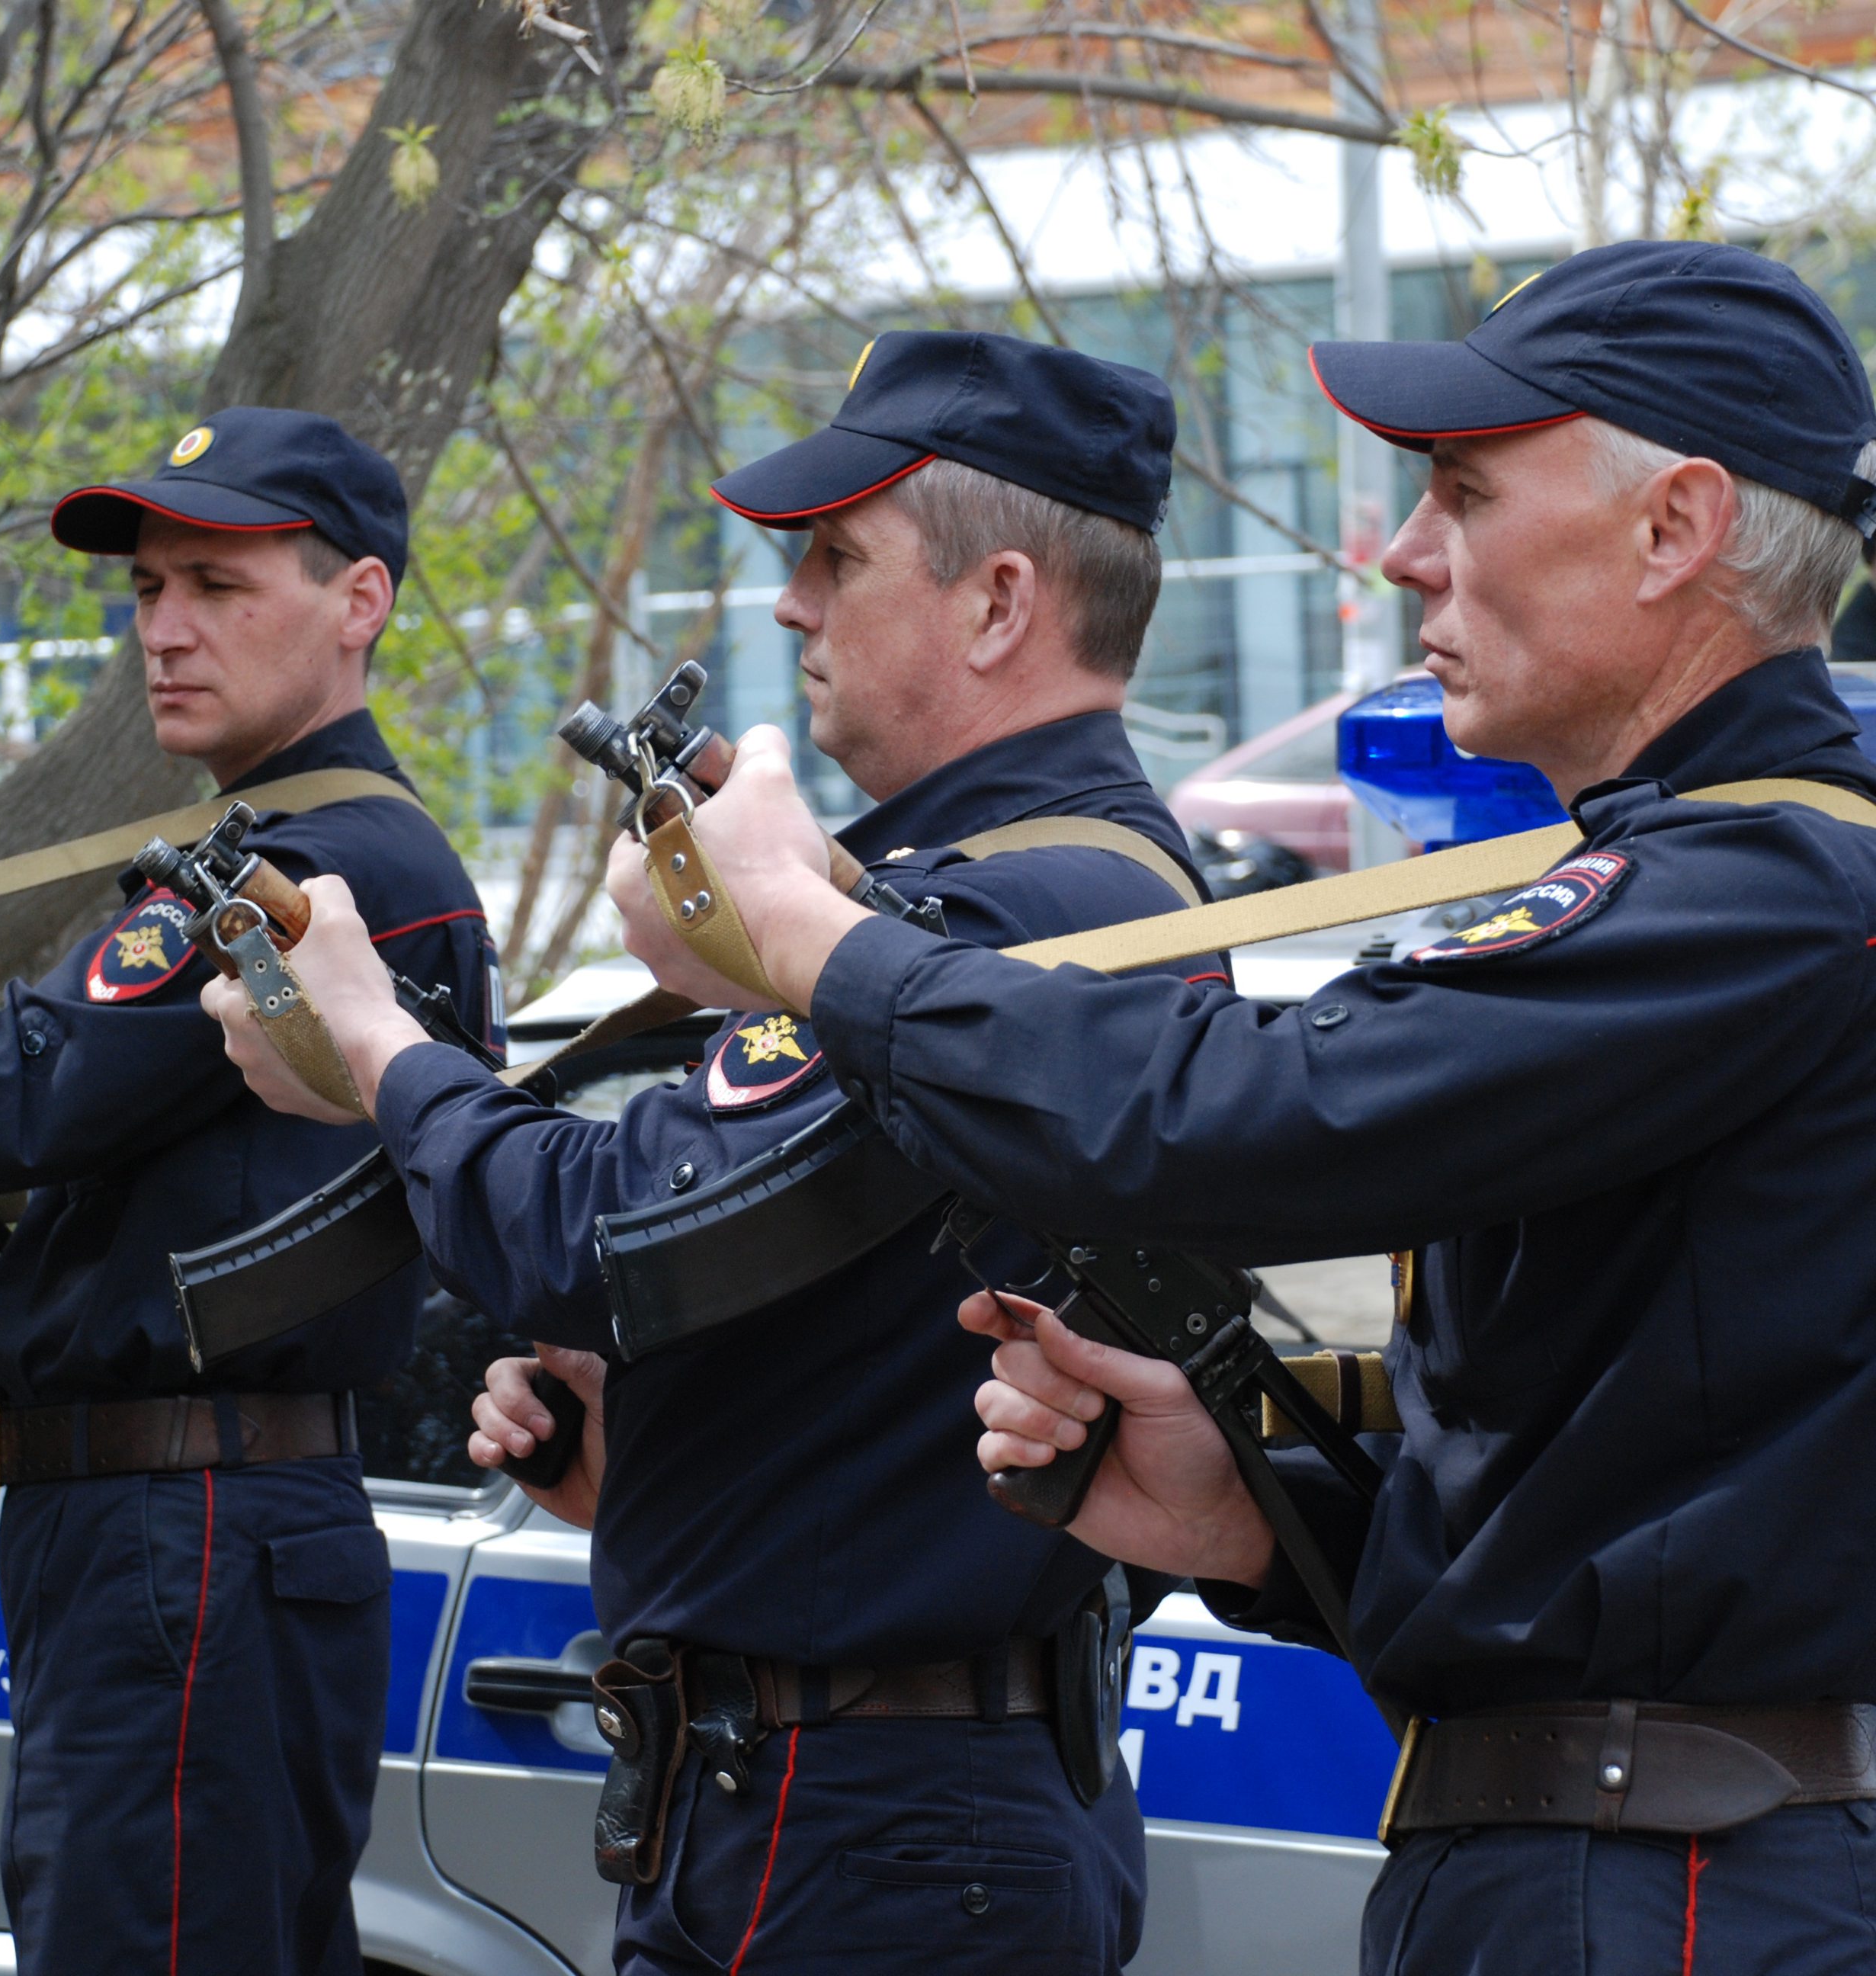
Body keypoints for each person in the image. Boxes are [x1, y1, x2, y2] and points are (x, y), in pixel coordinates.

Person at [600, 242, 1876, 1975]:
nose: (1403, 551)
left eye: (1465, 490)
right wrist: (1251, 1514)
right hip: (1609, 1854)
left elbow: (1253, 1123)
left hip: (1678, 1878)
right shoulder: (1718, 878)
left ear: (1676, 530)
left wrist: (820, 947)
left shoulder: (1776, 888)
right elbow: (1624, 1454)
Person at [201, 331, 1227, 1974]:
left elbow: (606, 1234)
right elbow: (777, 1311)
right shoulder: (967, 900)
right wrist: (642, 1453)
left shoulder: (1019, 913)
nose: (788, 604)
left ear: (999, 604)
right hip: (809, 1793)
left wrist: (379, 1046)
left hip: (879, 1824)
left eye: (836, 556)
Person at [0, 406, 500, 1976]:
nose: (163, 631)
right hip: (161, 1527)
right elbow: (137, 1237)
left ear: (358, 602)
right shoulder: (254, 856)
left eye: (218, 588)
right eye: (150, 591)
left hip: (194, 1534)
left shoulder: (327, 874)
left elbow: (10, 1092)